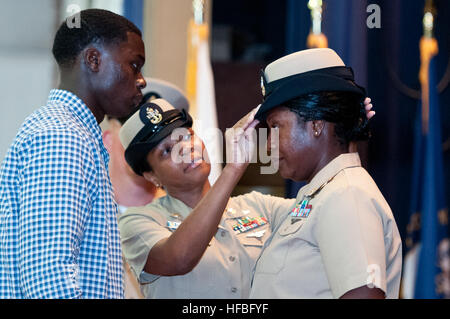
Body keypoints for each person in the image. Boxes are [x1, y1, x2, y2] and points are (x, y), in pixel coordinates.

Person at [117, 94, 374, 298]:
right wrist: (234, 168)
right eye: (167, 150)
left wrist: (341, 134)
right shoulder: (138, 223)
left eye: (187, 136)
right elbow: (179, 258)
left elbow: (324, 208)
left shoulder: (258, 207)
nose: (185, 148)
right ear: (152, 177)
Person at [0, 9, 146, 298]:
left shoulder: (74, 134)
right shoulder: (61, 136)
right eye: (134, 65)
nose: (141, 80)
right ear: (93, 60)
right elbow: (47, 276)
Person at [249, 48, 402, 299]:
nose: (268, 145)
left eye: (276, 127)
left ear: (316, 125)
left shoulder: (347, 196)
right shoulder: (322, 195)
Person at [100, 77, 189, 298]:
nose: (148, 145)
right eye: (135, 133)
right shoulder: (82, 217)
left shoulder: (191, 219)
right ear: (107, 140)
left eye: (161, 136)